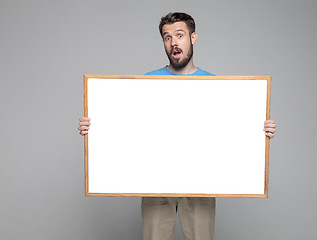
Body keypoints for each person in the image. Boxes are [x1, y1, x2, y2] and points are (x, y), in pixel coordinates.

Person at [78, 12, 276, 240]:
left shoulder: (215, 85)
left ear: (193, 38)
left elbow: (229, 133)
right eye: (167, 37)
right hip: (155, 182)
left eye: (179, 35)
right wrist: (94, 128)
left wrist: (260, 130)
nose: (173, 42)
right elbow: (128, 128)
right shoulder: (147, 82)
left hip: (201, 182)